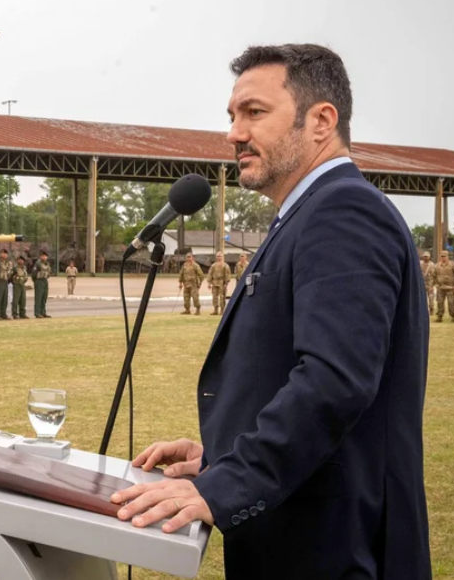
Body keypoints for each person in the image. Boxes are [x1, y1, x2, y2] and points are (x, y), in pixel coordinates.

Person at [111, 44, 430, 579]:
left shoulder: (343, 212)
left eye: (254, 113)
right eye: (233, 116)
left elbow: (334, 381)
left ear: (321, 121)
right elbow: (287, 370)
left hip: (334, 550)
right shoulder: (305, 214)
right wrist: (220, 456)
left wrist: (226, 486)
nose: (234, 133)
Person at [433, 250, 454, 323]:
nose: (443, 258)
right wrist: (434, 284)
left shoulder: (452, 265)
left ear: (447, 257)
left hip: (450, 288)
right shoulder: (437, 265)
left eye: (444, 256)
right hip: (440, 287)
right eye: (441, 256)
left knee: (451, 303)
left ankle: (453, 316)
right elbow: (433, 276)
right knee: (440, 302)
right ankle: (439, 317)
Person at [207, 251, 231, 316]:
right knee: (214, 297)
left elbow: (227, 275)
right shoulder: (213, 265)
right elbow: (210, 274)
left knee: (222, 297)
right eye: (217, 256)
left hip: (222, 283)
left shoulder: (225, 265)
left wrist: (226, 284)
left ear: (222, 257)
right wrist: (209, 283)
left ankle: (222, 311)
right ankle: (215, 310)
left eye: (220, 256)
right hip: (214, 283)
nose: (219, 257)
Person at [32, 250, 52, 318]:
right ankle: (37, 313)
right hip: (39, 281)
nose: (44, 257)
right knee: (38, 298)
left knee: (44, 297)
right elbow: (34, 274)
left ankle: (43, 312)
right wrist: (36, 282)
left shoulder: (47, 264)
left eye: (45, 256)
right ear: (41, 256)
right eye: (43, 256)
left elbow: (49, 272)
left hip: (45, 280)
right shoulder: (38, 263)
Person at [419, 251, 437, 316]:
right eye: (424, 257)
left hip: (430, 284)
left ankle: (431, 309)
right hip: (421, 284)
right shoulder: (420, 264)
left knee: (431, 298)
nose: (425, 258)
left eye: (426, 257)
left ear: (429, 257)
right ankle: (422, 311)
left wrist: (433, 285)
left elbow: (435, 276)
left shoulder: (432, 265)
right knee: (421, 298)